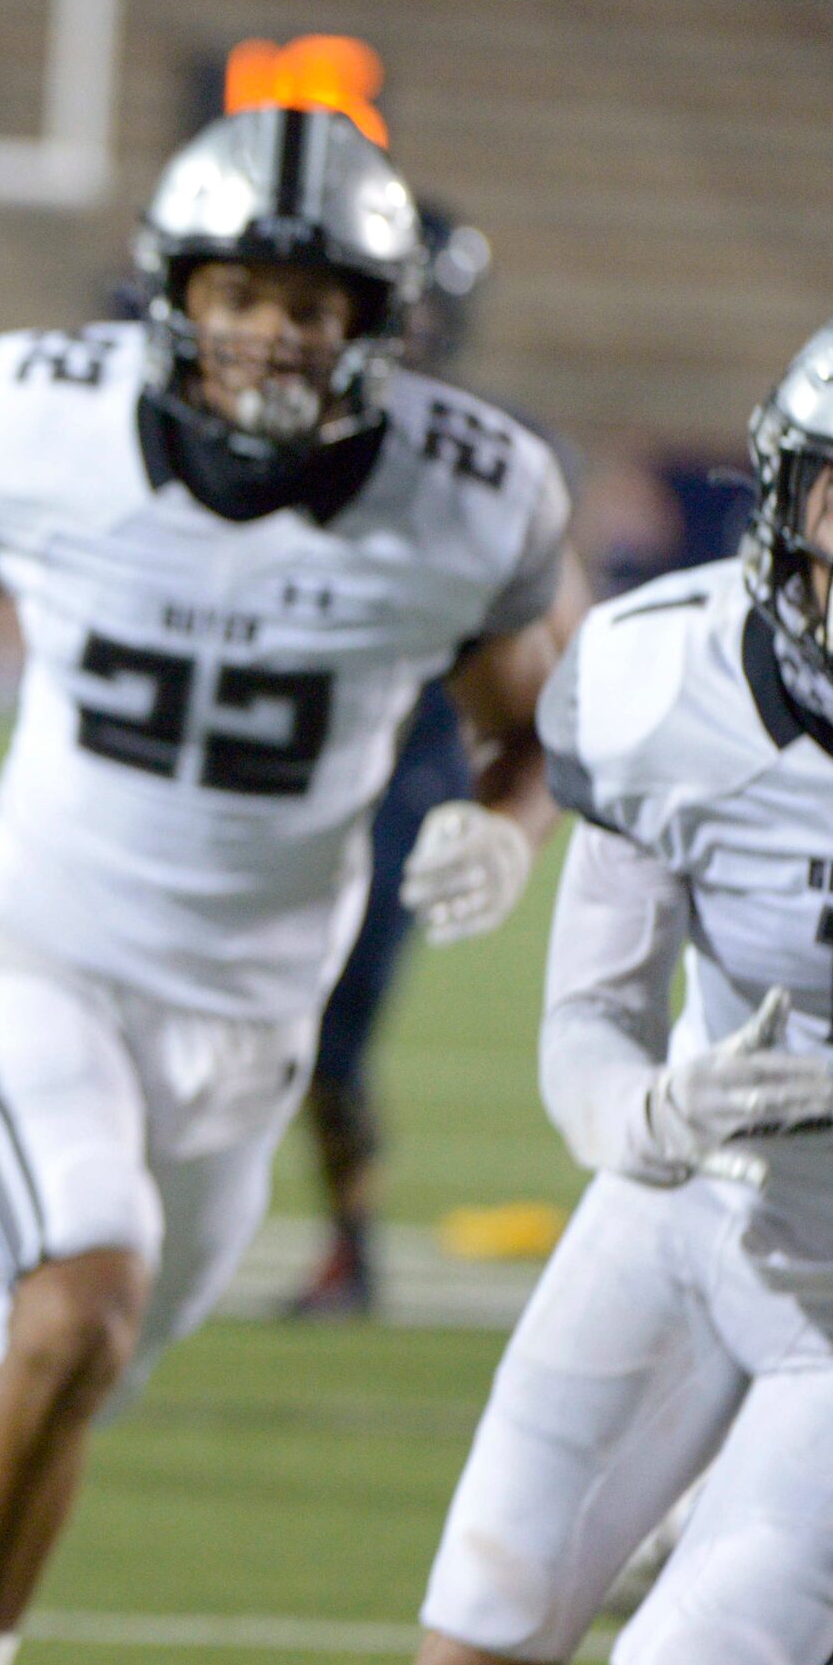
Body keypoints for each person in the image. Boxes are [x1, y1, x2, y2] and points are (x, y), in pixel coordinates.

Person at [0, 105, 580, 1665]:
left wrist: (496, 831)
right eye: (243, 293)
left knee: (68, 1366)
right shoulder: (41, 415)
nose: (274, 335)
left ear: (377, 325)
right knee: (76, 1305)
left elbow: (533, 730)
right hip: (43, 954)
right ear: (176, 294)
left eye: (314, 305)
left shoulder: (471, 490)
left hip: (254, 1025)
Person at [382, 282, 833, 1665]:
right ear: (786, 488)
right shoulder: (653, 673)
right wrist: (650, 1118)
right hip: (666, 1240)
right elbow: (588, 1022)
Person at [284, 206, 497, 1319]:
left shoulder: (477, 462)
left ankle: (349, 1242)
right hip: (273, 766)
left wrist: (502, 809)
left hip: (396, 779)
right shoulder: (282, 428)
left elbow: (532, 655)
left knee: (333, 1038)